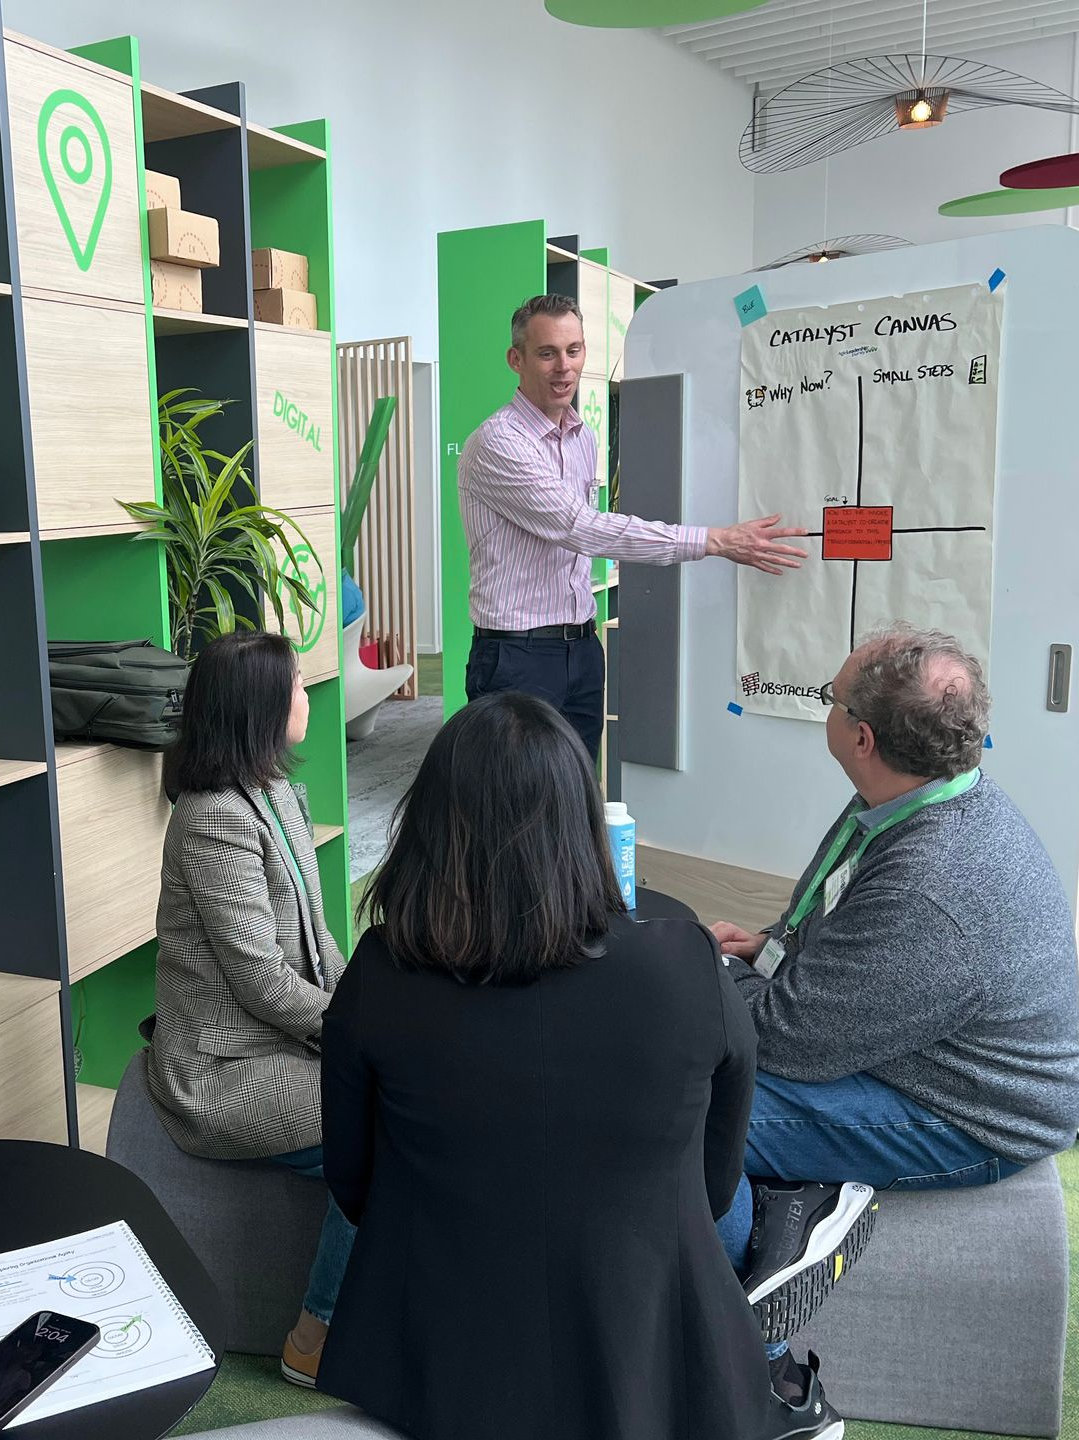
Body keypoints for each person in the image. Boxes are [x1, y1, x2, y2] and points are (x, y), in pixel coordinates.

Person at [316, 692, 843, 1440]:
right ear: (582, 824)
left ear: (427, 828)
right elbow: (714, 1181)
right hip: (651, 1342)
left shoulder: (378, 975)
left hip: (432, 1350)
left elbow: (352, 1182)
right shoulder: (685, 963)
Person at [709, 625, 1079, 1388]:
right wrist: (769, 950)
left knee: (691, 1108)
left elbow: (783, 1040)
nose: (827, 709)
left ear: (861, 736)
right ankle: (786, 1208)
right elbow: (833, 916)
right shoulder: (908, 799)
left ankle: (742, 1342)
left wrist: (708, 979)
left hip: (972, 1112)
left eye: (830, 699)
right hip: (916, 1047)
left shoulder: (932, 884)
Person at [458, 292, 809, 760]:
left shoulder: (581, 436)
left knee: (578, 790)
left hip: (580, 648)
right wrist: (714, 540)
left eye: (574, 350)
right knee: (513, 802)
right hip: (517, 658)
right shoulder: (499, 443)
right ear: (516, 359)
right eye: (547, 353)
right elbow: (581, 528)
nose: (564, 367)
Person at [145, 631, 351, 1389]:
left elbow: (318, 940)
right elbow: (261, 980)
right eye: (296, 685)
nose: (306, 694)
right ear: (260, 707)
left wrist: (374, 1005)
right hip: (224, 1067)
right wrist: (360, 1035)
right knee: (388, 1127)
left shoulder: (271, 793)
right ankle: (315, 1335)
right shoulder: (211, 818)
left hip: (286, 1040)